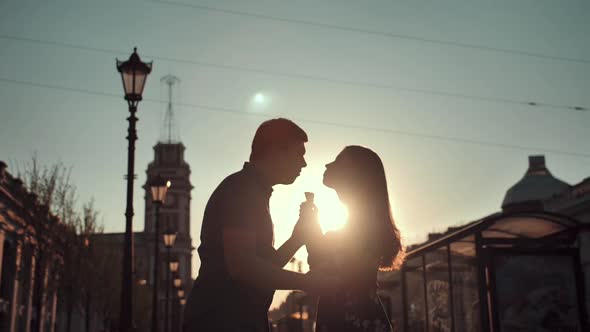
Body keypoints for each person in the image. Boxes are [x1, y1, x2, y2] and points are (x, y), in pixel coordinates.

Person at [183, 118, 334, 332]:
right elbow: (243, 268)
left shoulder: (251, 190)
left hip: (231, 318)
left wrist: (296, 239)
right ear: (275, 151)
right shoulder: (242, 190)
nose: (304, 163)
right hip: (222, 319)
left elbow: (258, 266)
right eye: (299, 154)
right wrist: (310, 282)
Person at [301, 145, 405, 332]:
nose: (328, 164)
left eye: (338, 161)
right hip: (350, 319)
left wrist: (310, 228)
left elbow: (324, 270)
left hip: (352, 322)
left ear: (356, 176)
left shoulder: (363, 227)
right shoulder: (362, 225)